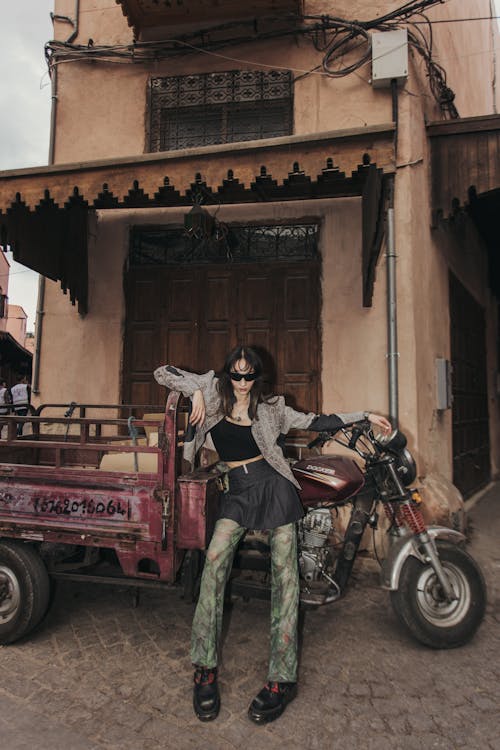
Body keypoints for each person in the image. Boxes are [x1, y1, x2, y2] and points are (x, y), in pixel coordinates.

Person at [154, 346, 391, 725]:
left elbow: (318, 420)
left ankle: (282, 679)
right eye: (237, 374)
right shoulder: (213, 391)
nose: (243, 383)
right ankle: (204, 669)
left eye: (250, 376)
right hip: (237, 492)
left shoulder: (273, 408)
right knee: (213, 567)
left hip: (275, 488)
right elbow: (162, 372)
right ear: (228, 373)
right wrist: (194, 391)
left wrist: (362, 415)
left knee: (286, 580)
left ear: (258, 377)